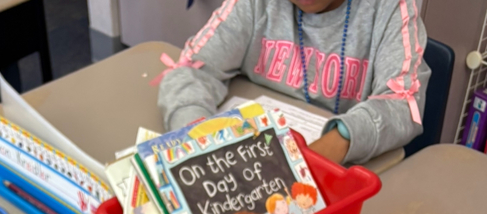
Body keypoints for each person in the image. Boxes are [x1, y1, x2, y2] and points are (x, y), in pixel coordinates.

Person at [157, 0, 430, 166]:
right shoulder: (255, 5)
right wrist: (195, 138)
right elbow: (191, 69)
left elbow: (404, 104)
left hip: (337, 169)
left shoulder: (390, 7)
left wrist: (337, 143)